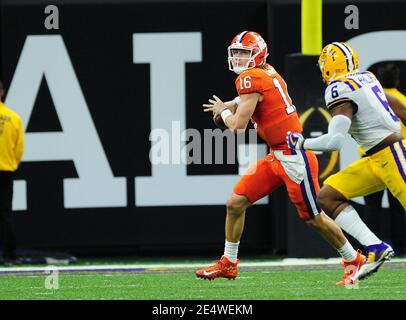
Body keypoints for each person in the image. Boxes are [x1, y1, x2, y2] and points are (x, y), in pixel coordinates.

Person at [196, 31, 366, 286]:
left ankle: (353, 258)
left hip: (294, 158)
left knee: (314, 218)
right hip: (276, 156)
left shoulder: (251, 78)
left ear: (258, 53)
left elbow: (238, 127)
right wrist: (231, 104)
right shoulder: (267, 71)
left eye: (245, 52)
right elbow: (251, 97)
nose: (240, 58)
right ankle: (229, 263)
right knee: (235, 203)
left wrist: (223, 113)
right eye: (237, 53)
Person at [287, 42, 406, 279]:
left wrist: (302, 144)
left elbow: (335, 141)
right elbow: (397, 107)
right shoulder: (367, 77)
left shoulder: (338, 89)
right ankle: (376, 247)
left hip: (392, 153)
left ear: (329, 67)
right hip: (374, 158)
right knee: (328, 196)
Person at [363, 63, 406, 253]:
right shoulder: (402, 99)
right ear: (397, 80)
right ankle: (402, 245)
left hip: (372, 157)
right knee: (398, 205)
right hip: (399, 155)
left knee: (372, 206)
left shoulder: (371, 100)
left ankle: (372, 246)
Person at [0, 80, 24, 265]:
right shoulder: (13, 118)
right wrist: (10, 163)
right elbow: (19, 150)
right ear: (2, 93)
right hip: (5, 170)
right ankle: (9, 255)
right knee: (5, 214)